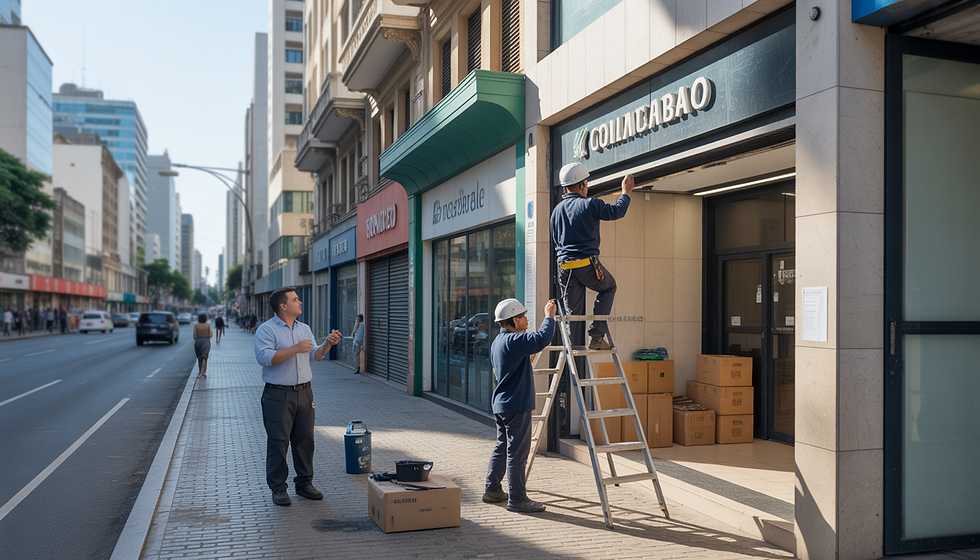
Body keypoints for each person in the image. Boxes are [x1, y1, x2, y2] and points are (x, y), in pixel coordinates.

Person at [254, 287, 342, 507]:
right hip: (277, 394)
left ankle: (304, 484)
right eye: (295, 299)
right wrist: (296, 348)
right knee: (278, 442)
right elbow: (265, 358)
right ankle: (278, 488)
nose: (300, 302)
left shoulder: (304, 328)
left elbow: (316, 356)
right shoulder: (267, 330)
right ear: (283, 306)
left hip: (304, 392)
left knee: (305, 441)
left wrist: (328, 344)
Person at [484, 297, 556, 514]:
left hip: (502, 404)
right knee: (517, 452)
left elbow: (519, 359)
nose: (526, 320)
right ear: (512, 321)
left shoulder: (498, 342)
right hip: (516, 404)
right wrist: (549, 316)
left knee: (502, 447)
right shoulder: (514, 341)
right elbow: (542, 338)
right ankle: (517, 500)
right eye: (522, 317)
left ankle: (493, 490)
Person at [550, 162, 633, 350]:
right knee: (609, 287)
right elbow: (617, 212)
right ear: (582, 185)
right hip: (587, 265)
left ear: (564, 188)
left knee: (574, 314)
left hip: (564, 268)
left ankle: (574, 349)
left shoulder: (556, 212)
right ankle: (596, 336)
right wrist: (625, 192)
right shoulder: (590, 204)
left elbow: (556, 241)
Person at [193, 314, 212, 379]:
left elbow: (194, 336)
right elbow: (210, 335)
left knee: (199, 357)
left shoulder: (196, 326)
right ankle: (203, 374)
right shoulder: (208, 325)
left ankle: (199, 371)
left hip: (198, 341)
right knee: (205, 357)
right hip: (206, 341)